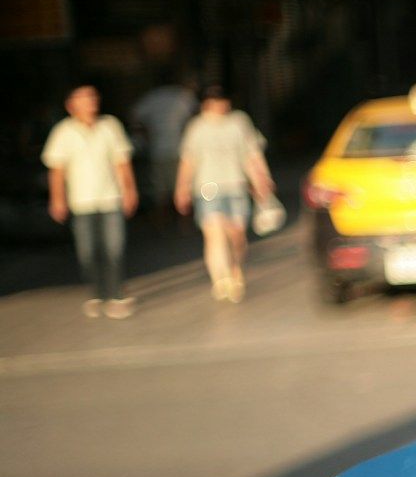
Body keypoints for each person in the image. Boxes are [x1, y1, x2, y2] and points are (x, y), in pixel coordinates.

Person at [42, 83, 139, 319]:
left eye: (93, 97)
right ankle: (98, 291)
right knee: (88, 252)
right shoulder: (63, 132)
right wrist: (57, 198)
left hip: (110, 197)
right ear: (71, 105)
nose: (91, 102)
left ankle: (116, 294)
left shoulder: (110, 126)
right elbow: (57, 169)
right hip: (81, 201)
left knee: (114, 247)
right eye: (84, 98)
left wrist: (130, 190)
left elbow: (122, 162)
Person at [175, 86, 273, 302]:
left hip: (236, 185)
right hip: (207, 187)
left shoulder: (239, 122)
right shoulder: (197, 127)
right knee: (214, 233)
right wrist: (182, 187)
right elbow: (189, 160)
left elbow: (252, 154)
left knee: (237, 234)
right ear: (206, 104)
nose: (222, 106)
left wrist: (262, 180)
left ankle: (235, 269)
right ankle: (221, 278)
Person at [130, 72, 197, 221]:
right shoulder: (184, 96)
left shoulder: (149, 97)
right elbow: (194, 118)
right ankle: (184, 223)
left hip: (158, 150)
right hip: (181, 150)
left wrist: (147, 138)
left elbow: (136, 121)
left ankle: (162, 222)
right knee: (183, 186)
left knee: (160, 190)